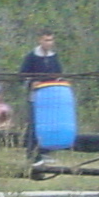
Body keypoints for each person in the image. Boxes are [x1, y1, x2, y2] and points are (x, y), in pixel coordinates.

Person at [19, 29, 62, 167]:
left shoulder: (54, 57)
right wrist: (31, 83)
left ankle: (45, 152)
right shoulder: (31, 57)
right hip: (35, 97)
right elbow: (22, 76)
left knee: (48, 125)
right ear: (40, 40)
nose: (49, 43)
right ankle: (32, 156)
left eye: (51, 40)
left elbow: (59, 74)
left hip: (50, 97)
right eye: (46, 40)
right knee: (34, 126)